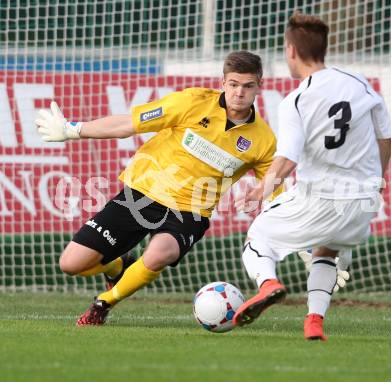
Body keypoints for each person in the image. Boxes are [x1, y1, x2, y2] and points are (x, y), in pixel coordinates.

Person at [35, 51, 279, 326]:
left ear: (259, 85)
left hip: (191, 212)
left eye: (248, 86)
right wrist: (73, 129)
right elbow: (128, 124)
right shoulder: (191, 102)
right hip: (143, 193)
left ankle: (104, 303)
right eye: (234, 84)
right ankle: (119, 265)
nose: (239, 93)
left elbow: (275, 193)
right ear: (223, 82)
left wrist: (304, 245)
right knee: (70, 264)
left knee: (160, 253)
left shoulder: (264, 140)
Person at [231, 11, 391, 341]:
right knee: (326, 251)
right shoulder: (358, 83)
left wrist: (264, 187)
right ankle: (314, 321)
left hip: (321, 196)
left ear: (291, 50)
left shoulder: (297, 100)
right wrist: (374, 181)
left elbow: (288, 157)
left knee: (258, 238)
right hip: (364, 203)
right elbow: (387, 135)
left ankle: (269, 284)